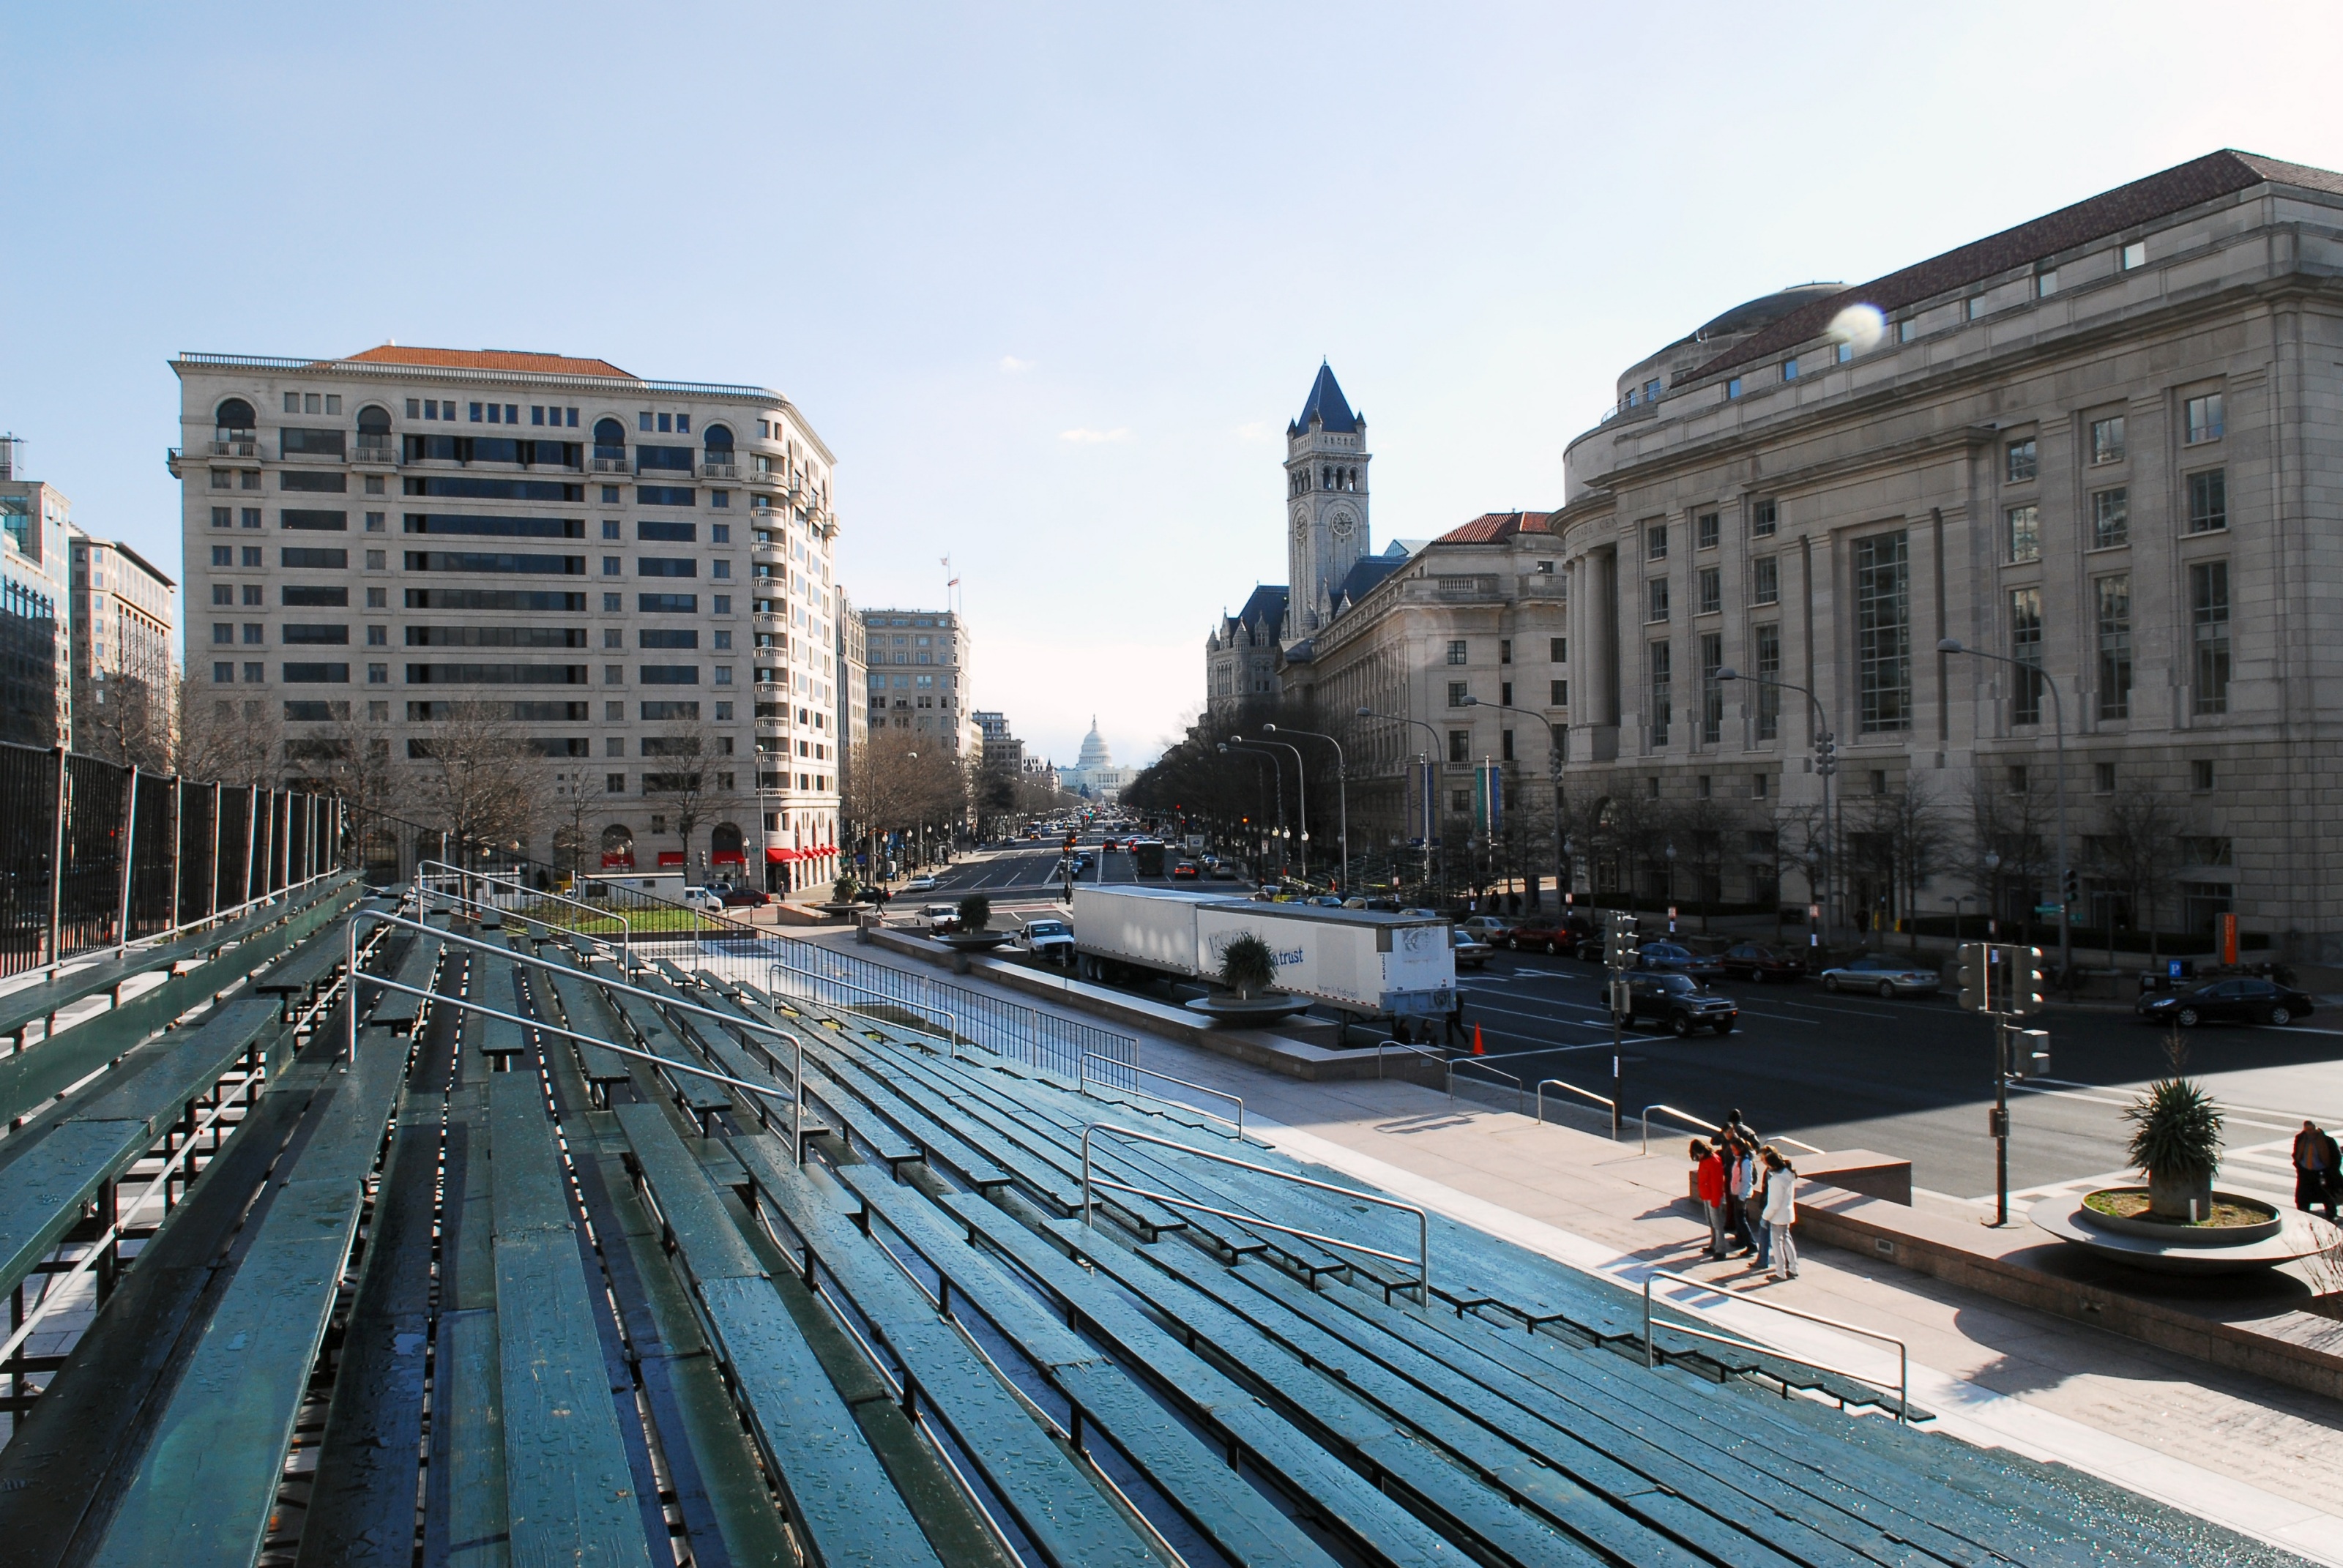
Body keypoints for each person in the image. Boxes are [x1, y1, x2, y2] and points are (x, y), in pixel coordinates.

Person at [1762, 1149, 1799, 1280]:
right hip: (1787, 1213)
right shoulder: (1788, 1174)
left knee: (1777, 1245)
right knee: (1787, 1240)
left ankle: (1780, 1272)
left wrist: (1765, 1217)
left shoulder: (1776, 1180)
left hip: (1777, 1216)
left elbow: (1774, 1204)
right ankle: (1793, 1268)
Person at [2294, 1120, 2340, 1220]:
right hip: (2306, 1172)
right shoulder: (2301, 1139)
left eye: (2312, 1130)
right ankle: (2303, 1215)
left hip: (2322, 1173)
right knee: (2303, 1197)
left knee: (2326, 1196)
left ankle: (2331, 1216)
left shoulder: (2327, 1141)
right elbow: (2296, 1154)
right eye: (2307, 1130)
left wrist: (2331, 1171)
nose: (2310, 1133)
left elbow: (2336, 1158)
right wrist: (2299, 1166)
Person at [1692, 1140, 1726, 1260]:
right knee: (1711, 1223)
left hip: (1713, 1197)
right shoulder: (1705, 1159)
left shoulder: (1713, 1161)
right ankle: (1714, 1244)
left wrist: (1715, 1201)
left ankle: (1721, 1249)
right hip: (1707, 1195)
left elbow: (1717, 1184)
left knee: (1717, 1224)